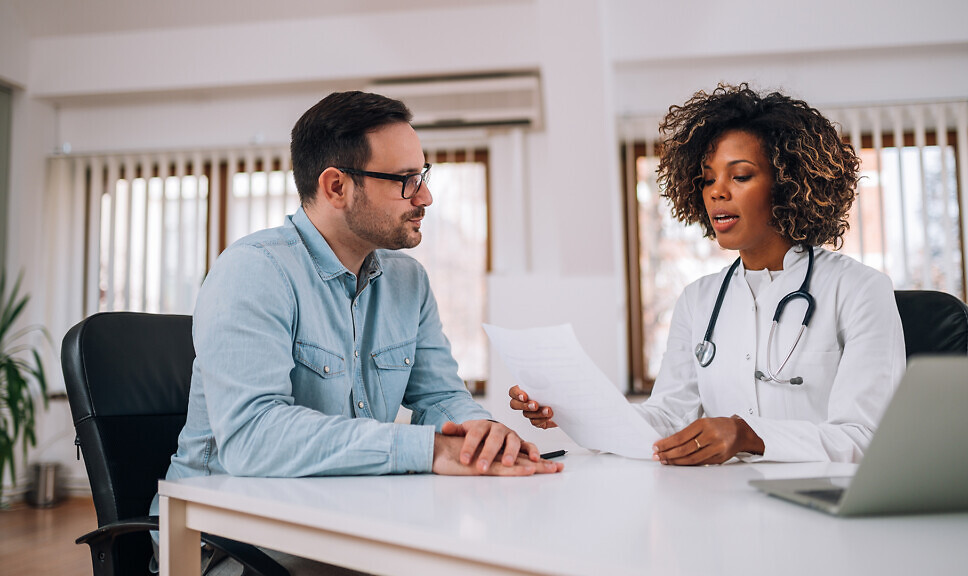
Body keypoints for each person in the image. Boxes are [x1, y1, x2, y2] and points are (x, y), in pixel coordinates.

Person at [152, 91, 560, 574]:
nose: (424, 196)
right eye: (405, 180)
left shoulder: (408, 281)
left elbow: (440, 395)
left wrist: (480, 434)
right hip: (228, 544)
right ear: (336, 186)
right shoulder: (253, 273)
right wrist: (427, 449)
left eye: (423, 176)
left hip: (343, 524)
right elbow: (252, 438)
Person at [510, 83, 905, 465]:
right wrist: (575, 412)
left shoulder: (859, 290)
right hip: (723, 510)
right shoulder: (699, 301)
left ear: (787, 185)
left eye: (741, 175)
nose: (717, 192)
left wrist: (749, 436)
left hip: (823, 514)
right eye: (708, 178)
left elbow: (865, 437)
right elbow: (666, 417)